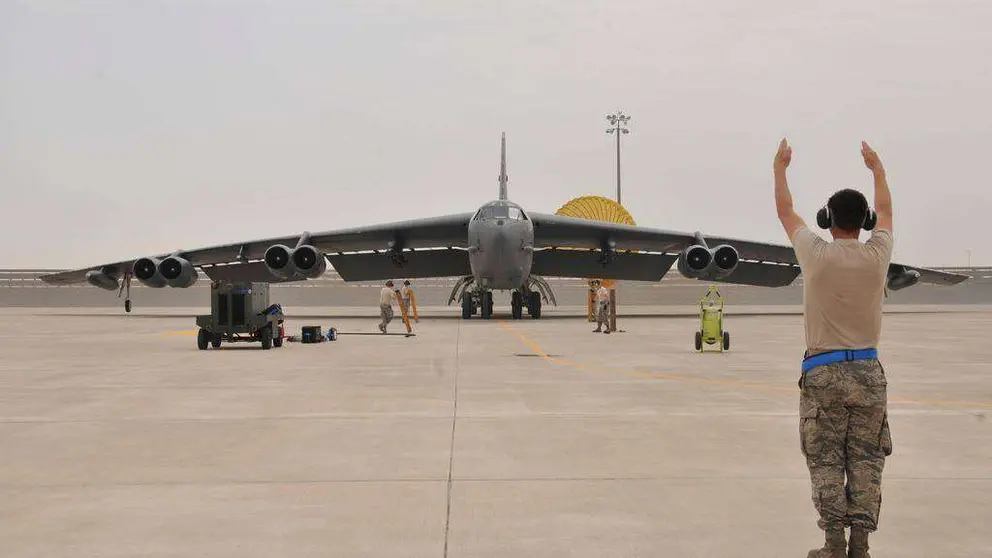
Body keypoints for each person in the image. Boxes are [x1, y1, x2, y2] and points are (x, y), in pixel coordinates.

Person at [774, 138, 894, 558]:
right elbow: (888, 212)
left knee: (825, 459)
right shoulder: (878, 254)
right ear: (865, 220)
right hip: (867, 371)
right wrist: (877, 169)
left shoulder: (816, 254)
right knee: (866, 460)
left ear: (827, 220)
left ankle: (833, 546)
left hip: (823, 372)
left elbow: (786, 212)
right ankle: (860, 545)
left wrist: (780, 169)